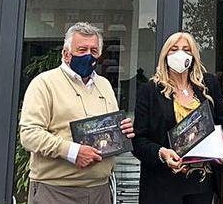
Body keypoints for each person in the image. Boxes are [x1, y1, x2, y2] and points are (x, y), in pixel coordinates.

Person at [19, 22, 136, 204]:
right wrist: (72, 152)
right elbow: (29, 135)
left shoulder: (104, 85)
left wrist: (122, 132)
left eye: (94, 51)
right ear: (66, 54)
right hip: (56, 191)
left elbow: (109, 129)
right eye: (82, 50)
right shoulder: (44, 84)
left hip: (100, 190)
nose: (89, 55)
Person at [132, 31, 223, 204]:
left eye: (186, 49)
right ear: (165, 55)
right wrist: (162, 153)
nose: (180, 54)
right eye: (174, 49)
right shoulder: (150, 90)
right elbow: (138, 141)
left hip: (202, 184)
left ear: (194, 55)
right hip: (162, 187)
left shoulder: (208, 85)